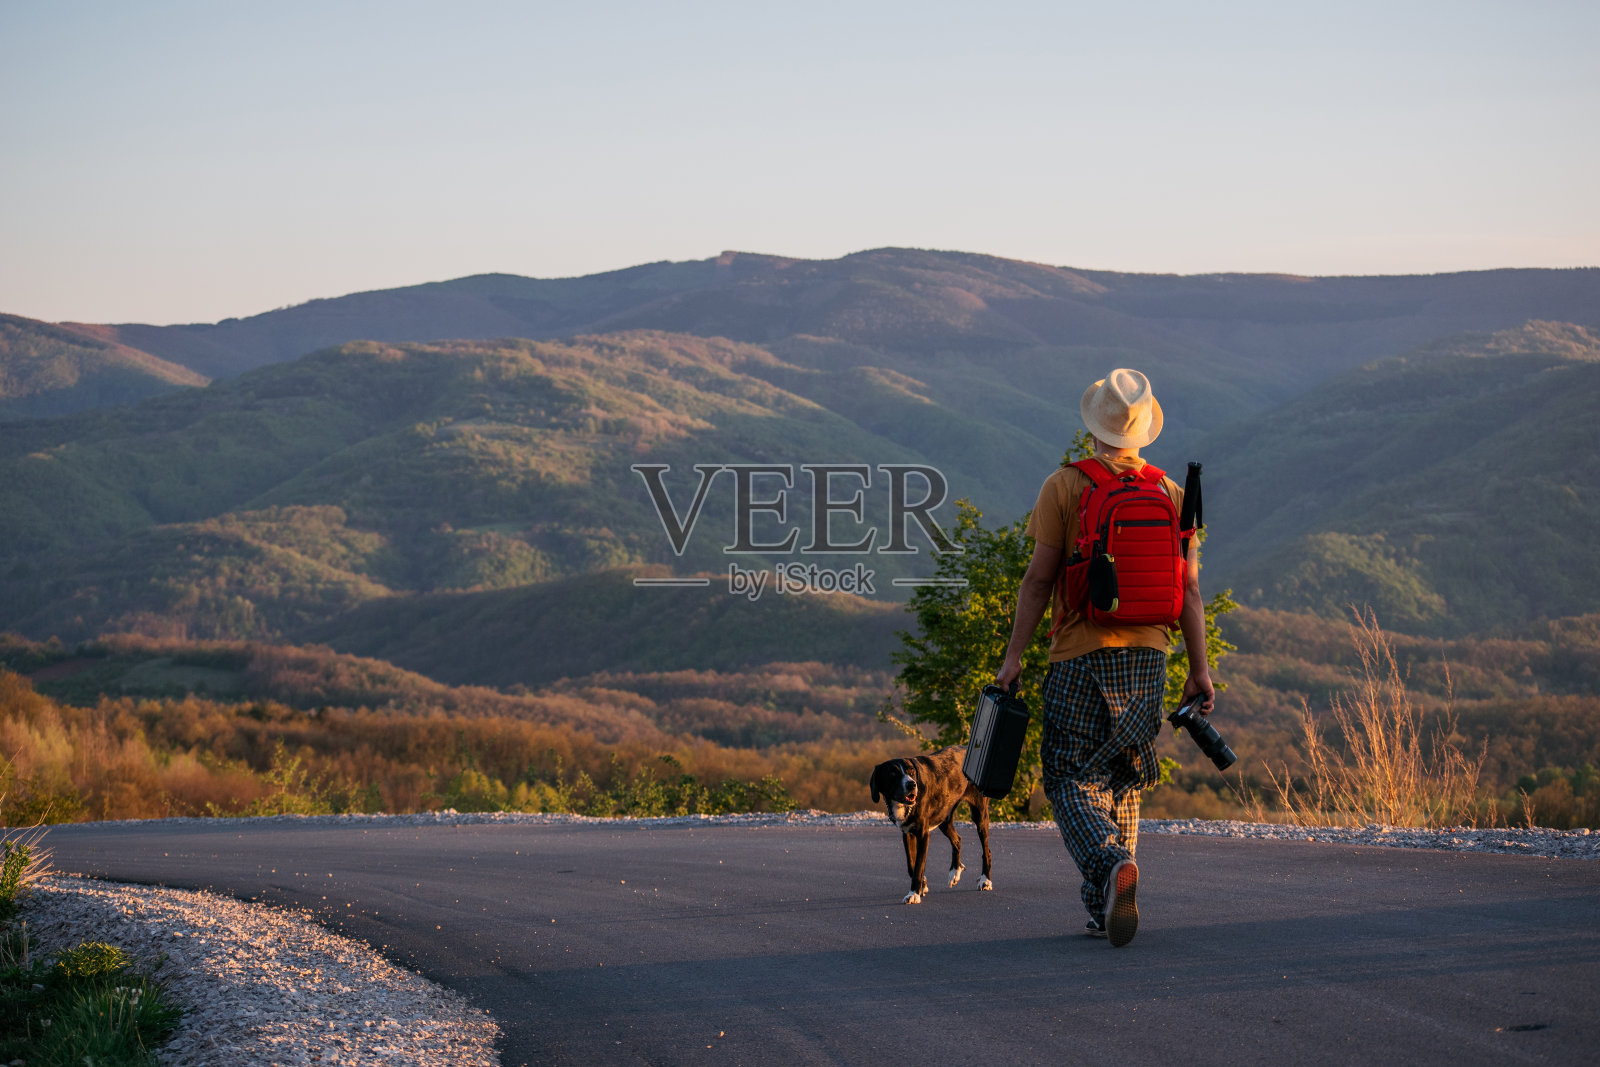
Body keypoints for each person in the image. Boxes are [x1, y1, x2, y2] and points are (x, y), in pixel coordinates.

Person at [995, 367, 1214, 948]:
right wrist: (1200, 669)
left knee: (1068, 776)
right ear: (1143, 429)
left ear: (1094, 426)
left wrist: (1013, 657)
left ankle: (1109, 863)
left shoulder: (1065, 486)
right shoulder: (1172, 493)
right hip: (1149, 657)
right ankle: (1104, 905)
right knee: (1125, 777)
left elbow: (1039, 582)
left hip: (1079, 653)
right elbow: (1188, 590)